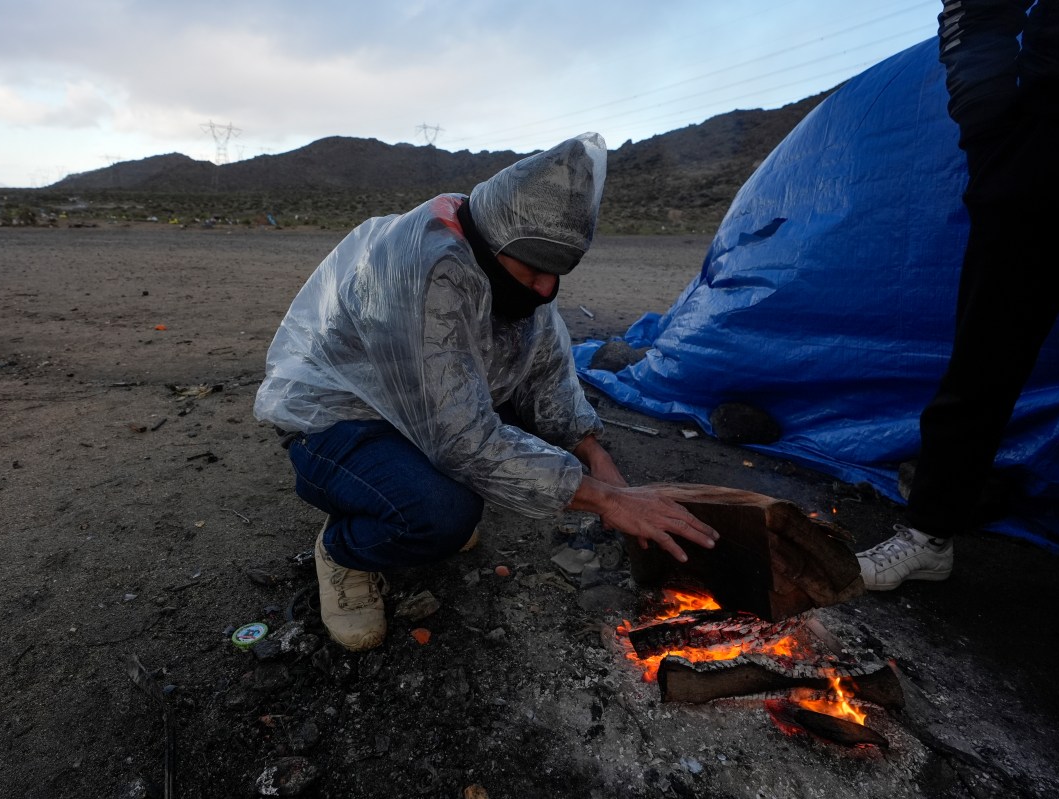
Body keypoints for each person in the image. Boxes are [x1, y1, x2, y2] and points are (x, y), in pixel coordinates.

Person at [255, 133, 719, 650]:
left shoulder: (506, 251)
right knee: (442, 516)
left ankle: (403, 493)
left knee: (524, 435)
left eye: (557, 273)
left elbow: (547, 372)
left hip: (423, 409)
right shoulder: (428, 271)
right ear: (492, 247)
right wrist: (606, 501)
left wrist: (593, 453)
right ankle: (343, 551)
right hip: (338, 419)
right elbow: (463, 439)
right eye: (535, 271)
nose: (545, 289)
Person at [857, 0, 1059, 590]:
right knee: (987, 353)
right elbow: (972, 9)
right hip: (1041, 145)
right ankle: (928, 536)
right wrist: (987, 125)